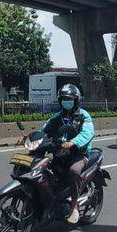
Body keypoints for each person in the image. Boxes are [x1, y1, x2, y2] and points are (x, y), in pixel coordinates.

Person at [36, 84, 94, 224]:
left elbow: (87, 133)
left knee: (73, 171)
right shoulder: (58, 117)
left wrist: (73, 142)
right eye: (63, 99)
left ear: (76, 100)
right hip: (60, 152)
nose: (65, 102)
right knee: (40, 165)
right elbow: (44, 130)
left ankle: (74, 206)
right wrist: (31, 138)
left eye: (69, 99)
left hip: (78, 154)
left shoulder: (83, 116)